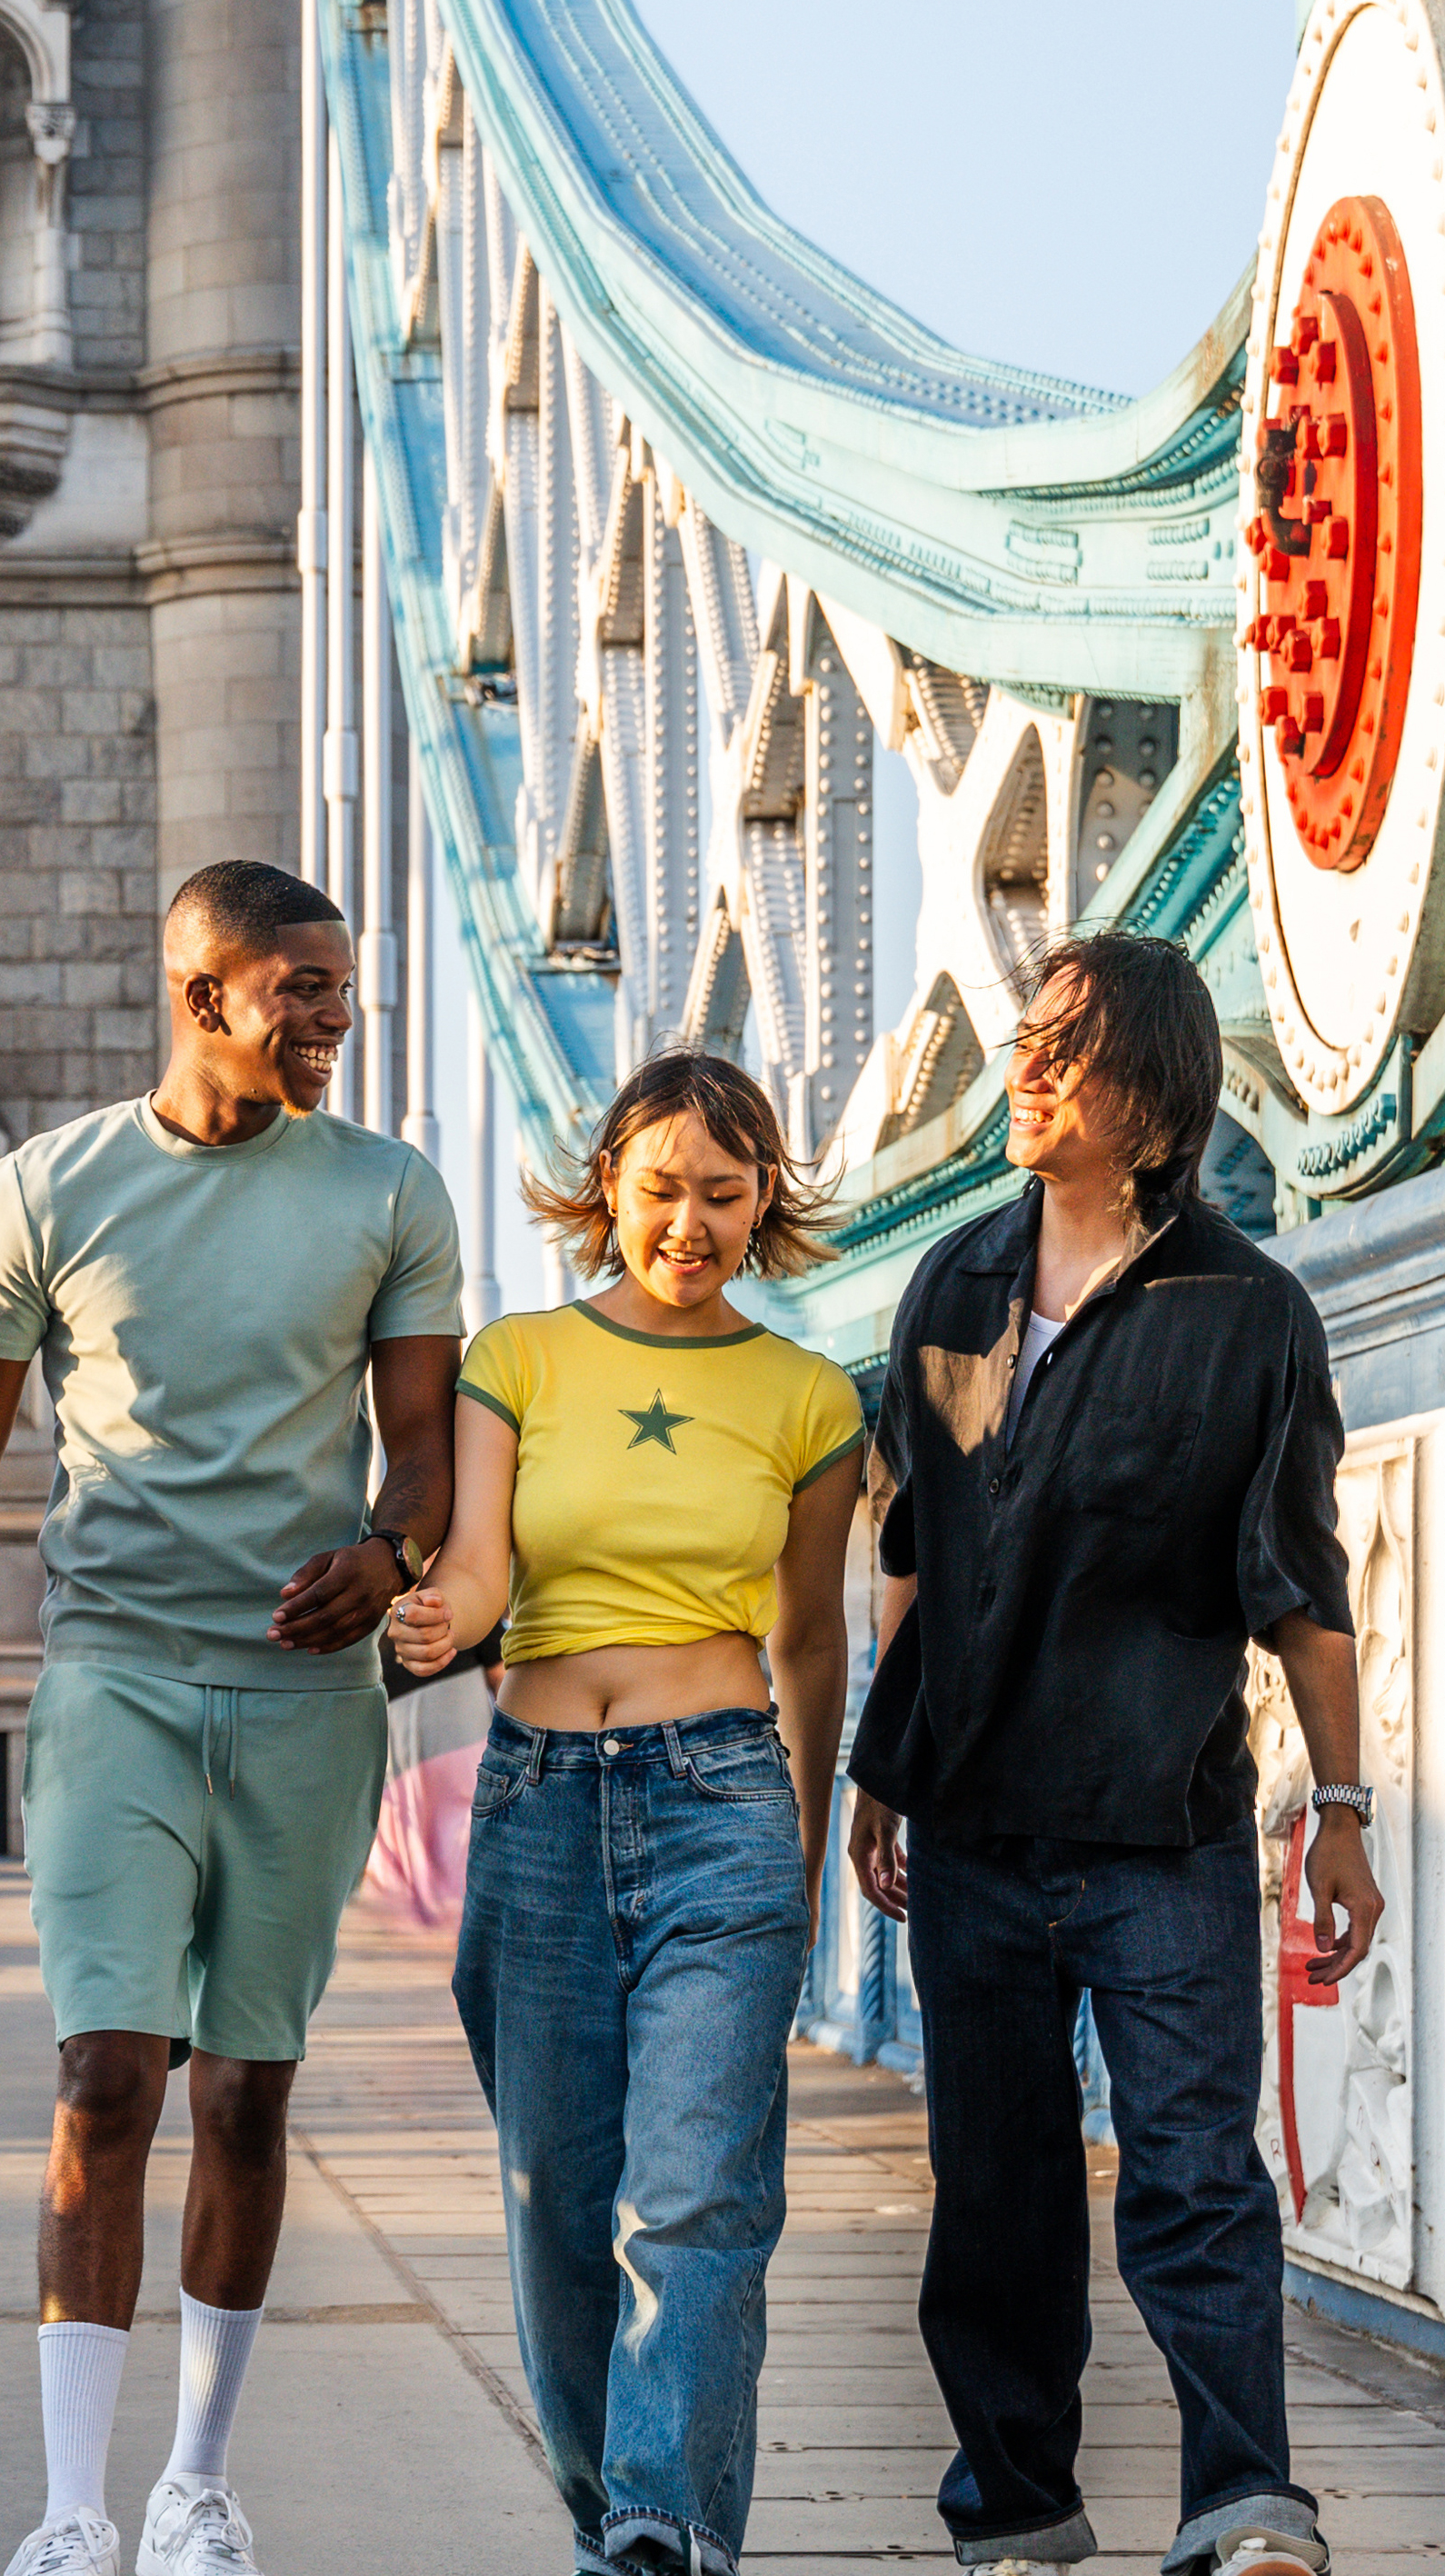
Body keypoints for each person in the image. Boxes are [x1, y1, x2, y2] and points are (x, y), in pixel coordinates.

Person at [0, 860, 465, 2576]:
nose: (332, 1016)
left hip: (306, 1695)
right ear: (200, 994)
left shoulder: (391, 1191)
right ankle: (72, 2510)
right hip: (115, 1680)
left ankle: (195, 2482)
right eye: (298, 988)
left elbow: (424, 1444)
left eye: (342, 988)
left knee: (247, 2093)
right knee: (105, 2073)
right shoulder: (41, 1192)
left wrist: (389, 1547)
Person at [842, 933, 1382, 2576]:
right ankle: (1017, 2509)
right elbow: (911, 1557)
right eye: (1025, 1040)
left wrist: (1340, 1814)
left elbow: (1303, 1585)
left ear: (1151, 1097)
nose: (1025, 1070)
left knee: (1195, 2181)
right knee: (996, 2198)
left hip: (1165, 1825)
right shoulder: (951, 1283)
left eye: (1065, 1052)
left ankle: (1245, 2507)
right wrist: (882, 1765)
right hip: (978, 1832)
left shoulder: (1251, 1311)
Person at [386, 1051, 859, 2576]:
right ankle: (615, 2525)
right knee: (554, 2205)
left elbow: (808, 1639)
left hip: (721, 1795)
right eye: (662, 1189)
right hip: (537, 1805)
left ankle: (666, 2527)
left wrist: (800, 1834)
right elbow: (480, 1567)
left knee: (700, 2194)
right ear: (607, 1191)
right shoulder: (517, 1356)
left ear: (764, 1201)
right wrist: (429, 1616)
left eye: (727, 1193)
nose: (691, 1222)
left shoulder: (811, 1397)